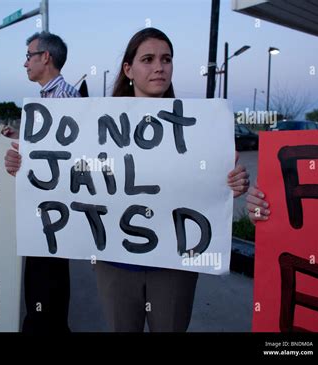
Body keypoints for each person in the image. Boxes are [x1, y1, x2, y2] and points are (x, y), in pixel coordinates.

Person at [92, 27, 250, 332]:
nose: (159, 67)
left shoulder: (199, 127)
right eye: (148, 59)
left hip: (175, 264)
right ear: (129, 69)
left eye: (166, 59)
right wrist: (24, 164)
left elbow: (211, 187)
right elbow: (70, 172)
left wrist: (233, 183)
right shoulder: (96, 125)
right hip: (114, 263)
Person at [3, 31, 80, 333]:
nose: (25, 63)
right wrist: (21, 143)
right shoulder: (45, 99)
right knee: (39, 275)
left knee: (49, 276)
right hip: (41, 202)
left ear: (45, 57)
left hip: (56, 205)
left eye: (28, 56)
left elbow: (70, 153)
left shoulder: (66, 98)